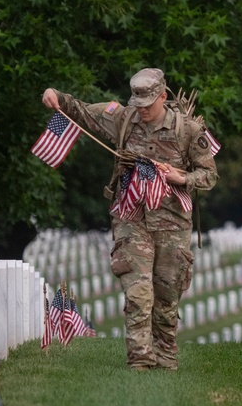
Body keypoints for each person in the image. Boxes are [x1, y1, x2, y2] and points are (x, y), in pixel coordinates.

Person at [40, 68, 218, 371]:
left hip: (172, 223)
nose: (142, 110)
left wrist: (181, 176)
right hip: (131, 217)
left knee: (167, 295)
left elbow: (210, 175)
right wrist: (56, 96)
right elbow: (81, 112)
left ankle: (166, 353)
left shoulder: (187, 130)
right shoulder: (123, 119)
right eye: (137, 102)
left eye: (148, 103)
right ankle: (140, 357)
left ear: (163, 96)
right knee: (138, 291)